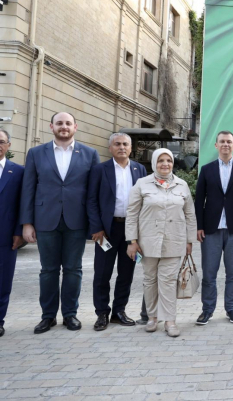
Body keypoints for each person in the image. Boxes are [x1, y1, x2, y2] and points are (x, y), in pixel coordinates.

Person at [20, 112, 100, 334]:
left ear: (75, 127)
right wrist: (27, 223)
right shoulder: (36, 153)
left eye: (67, 123)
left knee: (73, 269)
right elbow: (28, 189)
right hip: (45, 220)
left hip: (77, 220)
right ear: (51, 126)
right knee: (48, 270)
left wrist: (95, 225)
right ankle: (47, 317)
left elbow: (94, 193)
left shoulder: (90, 154)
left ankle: (70, 315)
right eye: (59, 123)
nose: (63, 127)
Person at [126, 148, 197, 337]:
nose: (165, 164)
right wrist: (132, 241)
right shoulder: (142, 184)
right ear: (154, 163)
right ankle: (152, 318)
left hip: (174, 241)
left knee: (167, 281)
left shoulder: (182, 185)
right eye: (161, 161)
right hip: (147, 242)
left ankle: (170, 321)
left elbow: (190, 214)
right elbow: (132, 214)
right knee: (150, 281)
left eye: (169, 161)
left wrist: (190, 240)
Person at [87, 133, 147, 331]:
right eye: (117, 144)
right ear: (111, 147)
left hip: (131, 232)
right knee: (102, 273)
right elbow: (92, 200)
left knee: (126, 272)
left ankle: (119, 311)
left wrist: (138, 234)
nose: (122, 147)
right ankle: (102, 313)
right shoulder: (99, 170)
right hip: (107, 230)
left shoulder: (140, 169)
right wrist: (96, 228)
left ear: (131, 148)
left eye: (125, 144)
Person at [194, 131, 233, 325]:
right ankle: (207, 310)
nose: (226, 144)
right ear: (216, 145)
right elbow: (199, 200)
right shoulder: (206, 169)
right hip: (211, 229)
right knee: (209, 273)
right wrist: (199, 226)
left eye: (229, 142)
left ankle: (231, 308)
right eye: (222, 142)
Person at [0, 129, 25, 337]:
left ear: (9, 145)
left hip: (6, 236)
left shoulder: (17, 171)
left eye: (1, 141)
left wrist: (19, 231)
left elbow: (22, 204)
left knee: (3, 280)